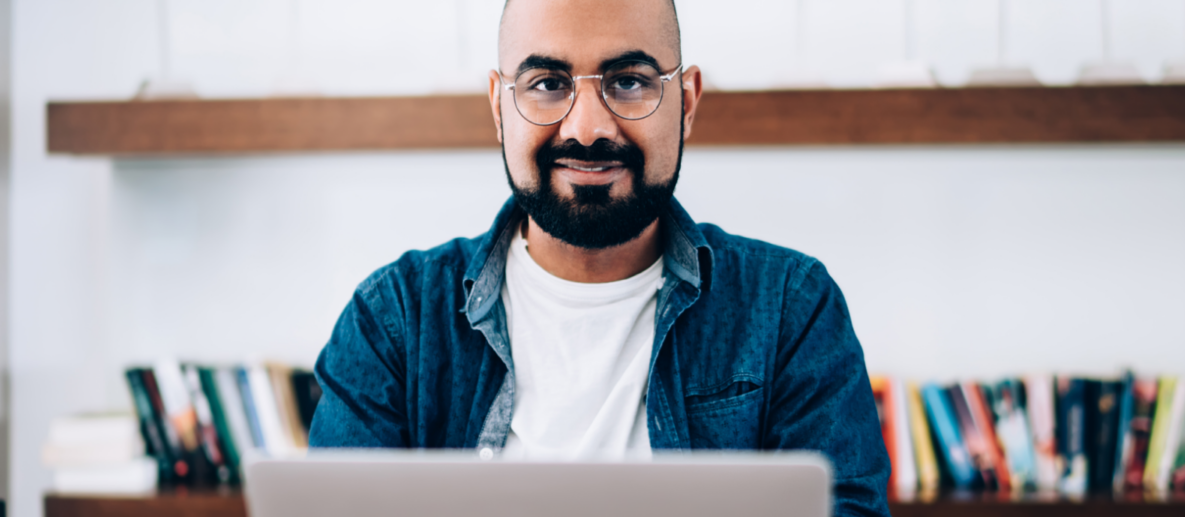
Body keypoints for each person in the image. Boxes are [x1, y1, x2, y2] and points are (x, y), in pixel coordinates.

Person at [309, 0, 892, 514]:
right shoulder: (392, 321)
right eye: (547, 83)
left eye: (630, 81)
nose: (587, 128)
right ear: (498, 106)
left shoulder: (792, 307)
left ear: (685, 103)